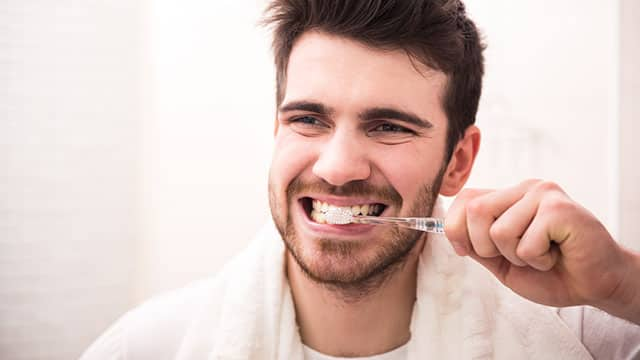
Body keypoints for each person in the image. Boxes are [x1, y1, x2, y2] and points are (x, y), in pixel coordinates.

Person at [81, 0, 640, 359]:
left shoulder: (588, 335)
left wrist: (621, 284)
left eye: (388, 126)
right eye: (308, 119)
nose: (336, 167)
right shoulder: (146, 347)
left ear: (458, 162)